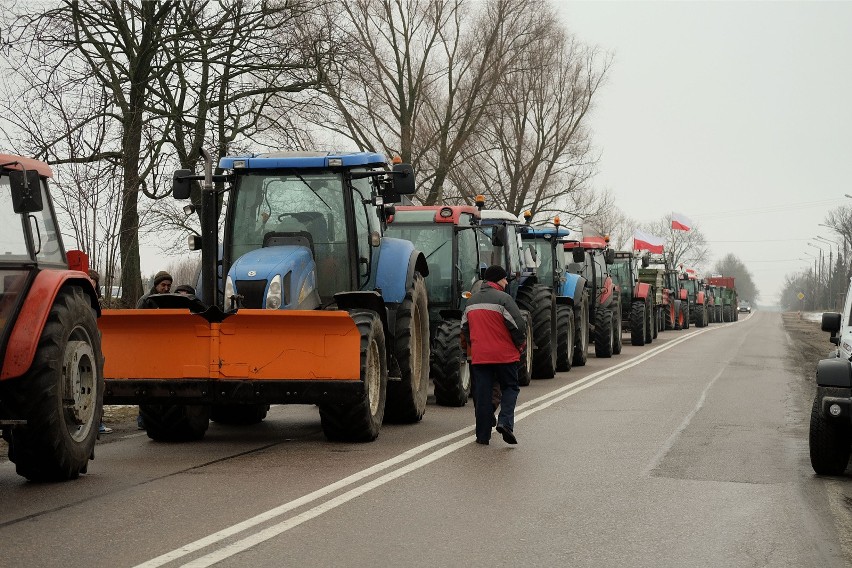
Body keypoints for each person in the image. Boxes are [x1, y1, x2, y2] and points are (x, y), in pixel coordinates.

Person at [461, 265, 526, 445]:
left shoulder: (471, 302)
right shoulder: (504, 299)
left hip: (480, 357)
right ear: (498, 279)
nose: (506, 282)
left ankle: (482, 436)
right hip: (505, 356)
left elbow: (465, 329)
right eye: (505, 279)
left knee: (482, 395)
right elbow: (518, 326)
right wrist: (520, 344)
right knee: (510, 388)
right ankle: (505, 423)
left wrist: (475, 344)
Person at [89, 269, 113, 435]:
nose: (91, 282)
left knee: (98, 384)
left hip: (98, 345)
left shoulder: (97, 302)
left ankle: (98, 422)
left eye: (94, 280)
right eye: (89, 279)